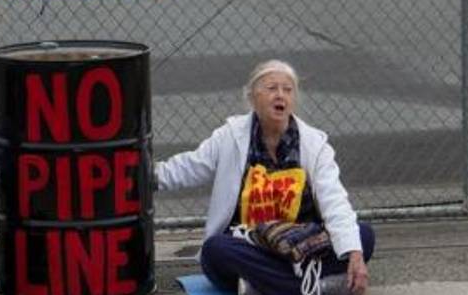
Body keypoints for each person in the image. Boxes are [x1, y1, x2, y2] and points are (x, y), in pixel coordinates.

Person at [154, 60, 374, 295]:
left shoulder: (314, 145)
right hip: (251, 244)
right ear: (252, 97)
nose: (280, 95)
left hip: (302, 244)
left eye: (288, 89)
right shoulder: (230, 136)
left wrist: (355, 254)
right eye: (272, 88)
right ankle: (314, 287)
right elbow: (190, 167)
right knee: (215, 250)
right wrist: (145, 174)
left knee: (362, 235)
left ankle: (262, 286)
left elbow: (335, 200)